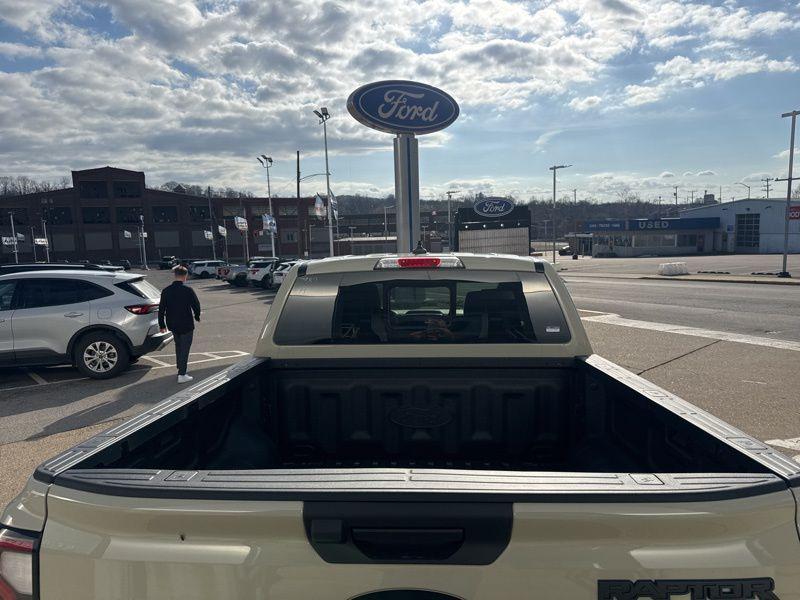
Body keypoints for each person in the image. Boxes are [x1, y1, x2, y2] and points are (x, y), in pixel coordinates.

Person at [158, 265, 201, 383]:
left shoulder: (166, 290)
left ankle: (179, 366)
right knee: (185, 348)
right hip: (186, 323)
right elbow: (196, 305)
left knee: (178, 346)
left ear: (175, 275)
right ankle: (182, 374)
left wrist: (162, 325)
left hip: (172, 323)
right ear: (185, 276)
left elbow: (161, 309)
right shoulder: (188, 290)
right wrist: (197, 316)